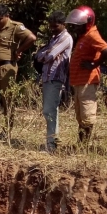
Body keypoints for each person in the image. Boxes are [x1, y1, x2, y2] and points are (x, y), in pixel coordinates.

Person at [0, 5, 36, 140]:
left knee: (7, 100)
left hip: (7, 68)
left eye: (0, 19)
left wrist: (19, 50)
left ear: (7, 16)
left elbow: (32, 38)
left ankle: (6, 131)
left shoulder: (16, 27)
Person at [65, 6, 107, 144]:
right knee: (80, 115)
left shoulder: (92, 34)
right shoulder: (84, 36)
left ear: (88, 22)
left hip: (87, 81)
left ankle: (84, 145)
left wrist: (94, 65)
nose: (75, 28)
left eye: (78, 26)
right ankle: (80, 143)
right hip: (80, 81)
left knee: (87, 114)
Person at [34, 11, 73, 152]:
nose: (53, 29)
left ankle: (52, 144)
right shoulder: (54, 38)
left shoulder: (66, 38)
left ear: (64, 24)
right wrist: (43, 54)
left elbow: (48, 55)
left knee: (48, 111)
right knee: (51, 110)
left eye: (56, 26)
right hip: (48, 77)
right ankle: (52, 143)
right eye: (51, 26)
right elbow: (39, 55)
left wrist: (43, 55)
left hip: (55, 77)